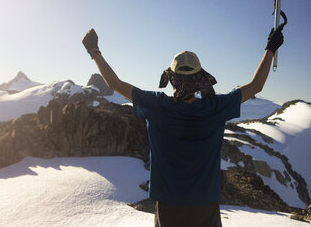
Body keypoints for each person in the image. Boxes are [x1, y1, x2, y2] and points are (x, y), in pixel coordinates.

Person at [82, 26, 284, 227]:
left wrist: (94, 52)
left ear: (172, 78)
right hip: (206, 207)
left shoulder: (157, 106)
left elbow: (115, 84)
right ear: (199, 78)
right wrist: (271, 47)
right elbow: (256, 85)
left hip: (169, 208)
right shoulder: (215, 107)